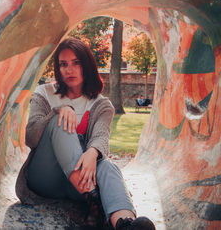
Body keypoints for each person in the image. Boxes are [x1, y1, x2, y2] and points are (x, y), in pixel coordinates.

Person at [15, 38, 155, 230]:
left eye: (76, 63)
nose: (68, 70)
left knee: (108, 166)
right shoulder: (44, 93)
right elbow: (30, 137)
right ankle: (96, 202)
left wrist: (92, 152)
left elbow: (101, 136)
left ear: (86, 65)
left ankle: (124, 223)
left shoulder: (101, 104)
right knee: (60, 121)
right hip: (45, 178)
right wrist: (59, 110)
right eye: (63, 64)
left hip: (78, 184)